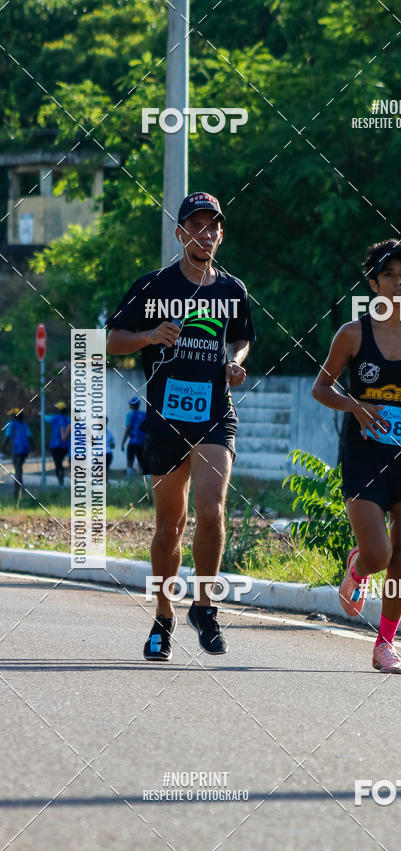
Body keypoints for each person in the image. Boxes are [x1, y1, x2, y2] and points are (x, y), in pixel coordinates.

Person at [106, 191, 255, 661]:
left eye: (213, 227)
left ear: (221, 235)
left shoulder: (232, 290)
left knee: (212, 510)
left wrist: (235, 361)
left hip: (215, 414)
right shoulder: (153, 286)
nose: (205, 234)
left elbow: (242, 338)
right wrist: (150, 335)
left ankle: (205, 608)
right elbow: (111, 340)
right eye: (196, 226)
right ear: (180, 233)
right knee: (170, 525)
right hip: (166, 419)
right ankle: (163, 616)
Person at [312, 238, 401, 674]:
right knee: (379, 553)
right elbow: (321, 388)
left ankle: (385, 644)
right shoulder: (353, 334)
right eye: (388, 275)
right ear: (374, 284)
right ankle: (358, 565)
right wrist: (355, 405)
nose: (398, 282)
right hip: (364, 452)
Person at [1, 408, 32, 498]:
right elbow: (30, 437)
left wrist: (2, 448)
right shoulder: (24, 424)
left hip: (17, 449)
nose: (10, 416)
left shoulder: (11, 424)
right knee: (19, 469)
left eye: (11, 415)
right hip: (25, 449)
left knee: (18, 469)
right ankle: (17, 489)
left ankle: (19, 490)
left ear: (14, 415)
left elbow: (7, 437)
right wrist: (34, 448)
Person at [121, 397, 146, 479]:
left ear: (132, 405)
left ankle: (130, 482)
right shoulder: (144, 414)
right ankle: (144, 482)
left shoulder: (129, 415)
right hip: (143, 442)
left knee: (129, 462)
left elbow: (128, 429)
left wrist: (123, 443)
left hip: (133, 442)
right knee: (142, 463)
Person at [47, 401, 71, 487]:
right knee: (59, 462)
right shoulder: (68, 420)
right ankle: (61, 481)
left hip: (54, 445)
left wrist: (40, 414)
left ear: (58, 409)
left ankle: (61, 483)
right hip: (64, 446)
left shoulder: (53, 418)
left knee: (57, 464)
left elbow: (45, 417)